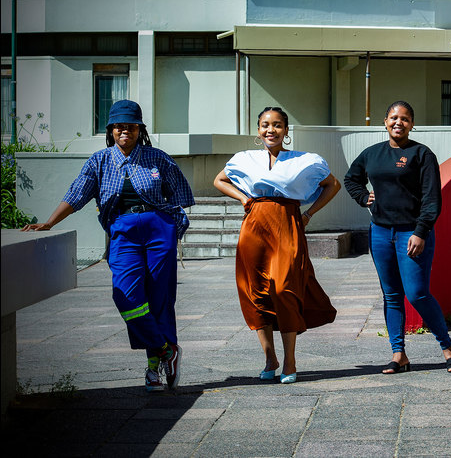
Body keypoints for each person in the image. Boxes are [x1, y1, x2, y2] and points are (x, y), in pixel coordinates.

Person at [22, 100, 194, 392]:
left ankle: (154, 369)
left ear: (139, 129)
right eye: (118, 126)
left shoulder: (158, 158)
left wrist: (174, 227)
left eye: (130, 125)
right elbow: (77, 194)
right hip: (123, 232)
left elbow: (180, 196)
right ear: (111, 130)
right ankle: (167, 349)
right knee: (125, 295)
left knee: (160, 296)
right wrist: (50, 222)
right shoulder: (99, 161)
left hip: (157, 229)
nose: (124, 130)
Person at [213, 106, 339, 383]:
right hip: (254, 225)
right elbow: (219, 180)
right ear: (258, 131)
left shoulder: (305, 160)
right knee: (256, 291)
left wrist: (308, 214)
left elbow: (333, 185)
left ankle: (291, 361)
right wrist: (243, 199)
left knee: (284, 288)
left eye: (278, 125)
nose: (271, 130)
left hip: (287, 223)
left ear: (286, 130)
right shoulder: (244, 159)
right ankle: (270, 357)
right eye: (265, 125)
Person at [344, 100, 451, 374]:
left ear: (412, 124)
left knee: (417, 293)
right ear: (385, 121)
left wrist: (421, 231)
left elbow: (433, 198)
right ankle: (399, 354)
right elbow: (352, 179)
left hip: (412, 233)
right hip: (381, 233)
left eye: (405, 118)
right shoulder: (372, 154)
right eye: (394, 117)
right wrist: (364, 197)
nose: (399, 122)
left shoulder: (421, 154)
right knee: (392, 295)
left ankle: (448, 347)